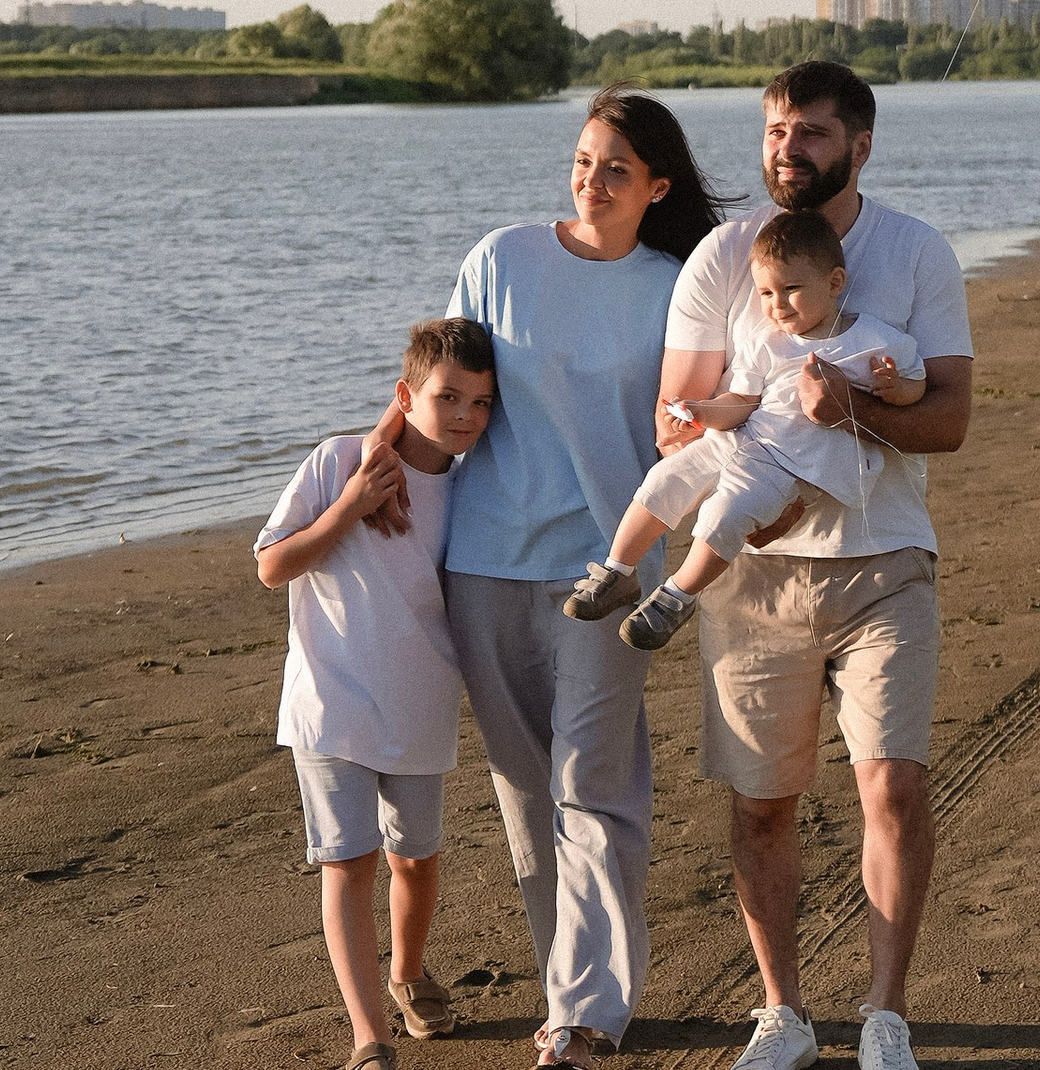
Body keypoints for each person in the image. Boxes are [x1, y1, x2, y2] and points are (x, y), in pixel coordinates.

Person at [369, 88, 729, 1070]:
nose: (592, 179)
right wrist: (374, 457)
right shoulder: (501, 259)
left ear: (657, 185)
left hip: (607, 572)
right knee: (528, 796)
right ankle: (565, 985)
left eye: (616, 166)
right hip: (484, 564)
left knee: (594, 788)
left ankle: (583, 1012)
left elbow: (707, 410)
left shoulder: (675, 283)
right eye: (582, 159)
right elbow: (442, 390)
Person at [658, 62, 975, 1070]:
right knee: (760, 800)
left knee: (891, 788)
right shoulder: (720, 256)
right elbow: (676, 421)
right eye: (777, 131)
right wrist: (738, 502)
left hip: (886, 560)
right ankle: (782, 1015)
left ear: (860, 145)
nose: (789, 148)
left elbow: (950, 419)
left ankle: (884, 1015)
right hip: (754, 577)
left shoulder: (916, 252)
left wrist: (859, 412)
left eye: (814, 133)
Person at [256, 316, 499, 1070]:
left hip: (422, 701)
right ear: (405, 394)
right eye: (447, 397)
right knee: (348, 861)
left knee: (416, 860)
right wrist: (351, 504)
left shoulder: (476, 491)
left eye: (481, 403)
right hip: (330, 700)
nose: (463, 415)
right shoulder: (337, 462)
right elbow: (271, 566)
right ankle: (371, 1035)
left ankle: (407, 968)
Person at [564, 206, 925, 646]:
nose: (777, 305)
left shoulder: (874, 340)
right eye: (766, 293)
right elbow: (741, 402)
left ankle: (676, 595)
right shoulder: (767, 341)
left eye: (791, 290)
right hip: (741, 436)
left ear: (834, 283)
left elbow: (917, 384)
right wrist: (700, 411)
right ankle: (618, 570)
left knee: (725, 513)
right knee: (664, 479)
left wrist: (894, 387)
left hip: (788, 465)